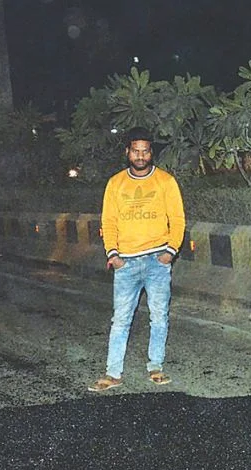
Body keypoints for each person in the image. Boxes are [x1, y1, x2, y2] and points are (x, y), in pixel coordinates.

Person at [88, 127, 185, 391]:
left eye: (145, 151)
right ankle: (113, 373)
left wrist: (170, 252)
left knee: (159, 316)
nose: (140, 156)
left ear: (151, 152)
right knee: (121, 319)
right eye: (135, 151)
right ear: (127, 152)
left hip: (157, 261)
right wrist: (113, 254)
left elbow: (177, 219)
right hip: (126, 263)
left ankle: (156, 367)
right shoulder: (116, 183)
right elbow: (108, 221)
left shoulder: (165, 181)